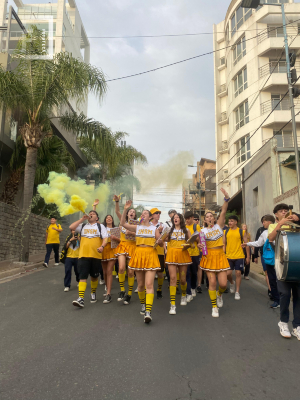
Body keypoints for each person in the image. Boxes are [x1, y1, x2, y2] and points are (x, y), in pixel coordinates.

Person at [120, 200, 162, 323]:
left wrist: (160, 240)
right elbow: (122, 223)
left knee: (149, 284)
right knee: (141, 285)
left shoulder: (155, 228)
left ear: (150, 216)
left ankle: (148, 312)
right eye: (142, 213)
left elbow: (160, 240)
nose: (143, 214)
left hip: (150, 255)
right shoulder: (137, 227)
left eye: (145, 213)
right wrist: (125, 209)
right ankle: (143, 305)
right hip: (138, 255)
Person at [267, 205, 300, 340]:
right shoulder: (273, 225)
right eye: (281, 211)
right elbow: (270, 238)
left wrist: (297, 218)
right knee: (285, 294)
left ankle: (297, 326)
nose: (285, 212)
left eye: (286, 211)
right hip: (282, 266)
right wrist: (280, 224)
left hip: (297, 264)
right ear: (276, 215)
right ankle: (283, 322)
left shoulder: (297, 224)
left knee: (299, 296)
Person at [198, 188, 231, 318]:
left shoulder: (219, 226)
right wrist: (200, 246)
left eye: (211, 216)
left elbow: (224, 210)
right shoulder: (202, 232)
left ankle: (219, 294)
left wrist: (226, 198)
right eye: (207, 217)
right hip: (209, 257)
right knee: (212, 282)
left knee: (222, 284)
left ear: (214, 218)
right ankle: (214, 307)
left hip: (221, 256)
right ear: (205, 220)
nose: (210, 217)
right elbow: (202, 247)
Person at [70, 210, 108, 308]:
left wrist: (102, 247)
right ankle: (81, 298)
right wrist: (82, 219)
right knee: (82, 276)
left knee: (94, 276)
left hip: (96, 255)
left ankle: (93, 292)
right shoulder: (82, 226)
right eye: (90, 213)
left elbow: (105, 238)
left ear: (97, 218)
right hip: (83, 255)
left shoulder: (100, 226)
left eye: (93, 214)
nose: (91, 214)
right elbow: (71, 227)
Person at [165, 213, 192, 314]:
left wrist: (189, 246)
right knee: (172, 278)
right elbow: (164, 240)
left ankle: (184, 295)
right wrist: (161, 237)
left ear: (181, 219)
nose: (175, 219)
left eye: (177, 217)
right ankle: (172, 304)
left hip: (183, 255)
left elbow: (191, 243)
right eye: (174, 218)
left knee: (183, 279)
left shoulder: (186, 230)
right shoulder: (169, 230)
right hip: (172, 255)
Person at [113, 195, 137, 305]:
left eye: (133, 211)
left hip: (133, 247)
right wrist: (118, 202)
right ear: (127, 214)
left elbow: (142, 235)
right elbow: (117, 211)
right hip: (122, 245)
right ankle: (122, 290)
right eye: (130, 211)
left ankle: (129, 294)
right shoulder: (122, 221)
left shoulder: (138, 224)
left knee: (131, 272)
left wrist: (132, 233)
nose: (131, 212)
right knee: (121, 268)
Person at [225, 216, 250, 300]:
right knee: (228, 274)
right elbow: (224, 244)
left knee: (238, 273)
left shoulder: (241, 231)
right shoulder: (226, 231)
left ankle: (237, 292)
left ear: (236, 222)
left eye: (231, 221)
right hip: (228, 256)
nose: (230, 223)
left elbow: (246, 245)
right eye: (229, 221)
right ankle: (232, 282)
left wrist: (248, 256)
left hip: (239, 256)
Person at [252, 215, 274, 298]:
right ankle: (271, 290)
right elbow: (257, 243)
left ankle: (274, 288)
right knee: (267, 272)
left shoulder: (276, 229)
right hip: (264, 255)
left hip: (275, 255)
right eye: (262, 222)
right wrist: (255, 256)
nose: (263, 223)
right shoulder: (261, 230)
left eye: (264, 221)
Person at [184, 210, 201, 301]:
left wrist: (194, 238)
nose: (187, 221)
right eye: (185, 219)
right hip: (186, 253)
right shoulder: (184, 227)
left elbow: (200, 239)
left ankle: (193, 287)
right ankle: (188, 292)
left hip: (194, 253)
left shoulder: (196, 226)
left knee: (194, 272)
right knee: (187, 273)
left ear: (192, 218)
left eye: (188, 219)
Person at [150, 208, 166, 299]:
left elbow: (164, 239)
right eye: (156, 213)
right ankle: (149, 289)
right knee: (150, 271)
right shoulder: (147, 225)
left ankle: (159, 289)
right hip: (150, 250)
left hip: (159, 251)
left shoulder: (162, 225)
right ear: (151, 215)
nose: (158, 215)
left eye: (159, 213)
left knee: (160, 272)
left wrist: (160, 233)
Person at [102, 215, 118, 304]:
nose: (109, 218)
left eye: (110, 217)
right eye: (107, 217)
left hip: (112, 249)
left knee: (109, 271)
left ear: (112, 220)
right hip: (104, 249)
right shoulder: (102, 228)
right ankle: (107, 287)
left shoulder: (116, 229)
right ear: (105, 220)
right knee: (104, 272)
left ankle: (108, 293)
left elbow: (120, 240)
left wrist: (114, 238)